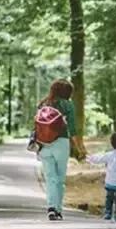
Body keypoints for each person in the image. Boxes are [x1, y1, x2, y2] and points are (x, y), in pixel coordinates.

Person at [37, 79, 83, 221]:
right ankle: (58, 209)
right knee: (60, 179)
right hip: (61, 143)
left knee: (50, 178)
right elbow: (73, 128)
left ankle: (51, 207)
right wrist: (78, 147)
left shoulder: (43, 104)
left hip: (44, 143)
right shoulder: (67, 104)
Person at [87, 132, 116, 222]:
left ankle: (108, 213)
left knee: (109, 198)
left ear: (112, 143)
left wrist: (90, 158)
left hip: (110, 183)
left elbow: (99, 159)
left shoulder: (108, 155)